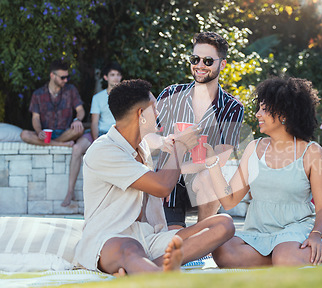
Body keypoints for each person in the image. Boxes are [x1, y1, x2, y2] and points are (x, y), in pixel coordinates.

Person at [200, 77, 322, 268]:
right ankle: (290, 259)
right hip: (259, 232)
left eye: (264, 109)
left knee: (285, 255)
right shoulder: (253, 148)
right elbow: (229, 200)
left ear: (284, 114)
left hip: (297, 230)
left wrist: (316, 235)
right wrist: (212, 162)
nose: (257, 114)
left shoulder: (312, 152)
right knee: (224, 252)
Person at [74, 79, 235, 275]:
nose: (158, 114)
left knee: (223, 224)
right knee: (130, 249)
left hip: (149, 237)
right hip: (110, 237)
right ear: (140, 115)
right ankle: (155, 274)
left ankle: (143, 269)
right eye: (154, 109)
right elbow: (162, 186)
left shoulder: (141, 147)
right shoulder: (104, 150)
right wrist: (180, 147)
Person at [156, 31, 244, 229]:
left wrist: (177, 168)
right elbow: (147, 136)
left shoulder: (233, 108)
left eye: (208, 60)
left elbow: (220, 159)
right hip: (166, 185)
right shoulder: (171, 94)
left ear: (223, 64)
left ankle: (203, 236)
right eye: (195, 59)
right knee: (174, 242)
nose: (200, 65)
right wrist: (164, 142)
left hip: (199, 185)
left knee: (210, 177)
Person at [62, 62, 123, 207]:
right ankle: (70, 192)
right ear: (105, 77)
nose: (116, 78)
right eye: (112, 75)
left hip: (116, 134)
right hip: (98, 134)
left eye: (118, 75)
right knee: (77, 149)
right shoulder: (98, 97)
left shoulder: (124, 97)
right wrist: (97, 142)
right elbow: (94, 122)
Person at [21, 60, 83, 147]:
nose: (65, 80)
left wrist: (77, 120)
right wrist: (39, 132)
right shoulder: (38, 94)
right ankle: (61, 144)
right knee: (24, 134)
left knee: (79, 129)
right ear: (52, 75)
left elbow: (80, 110)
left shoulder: (71, 90)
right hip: (45, 133)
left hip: (65, 132)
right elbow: (35, 118)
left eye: (67, 77)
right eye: (62, 77)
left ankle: (51, 143)